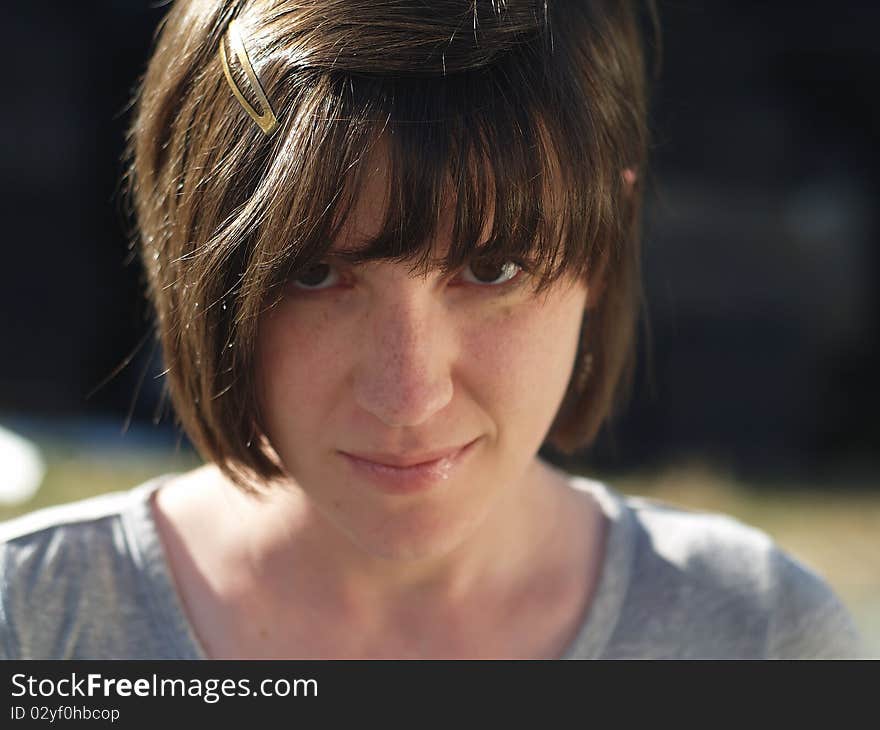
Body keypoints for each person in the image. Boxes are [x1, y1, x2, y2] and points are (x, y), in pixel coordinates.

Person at [0, 0, 864, 660]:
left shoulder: (755, 634)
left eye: (492, 270)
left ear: (607, 237)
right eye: (316, 274)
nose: (409, 395)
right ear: (193, 255)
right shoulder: (35, 629)